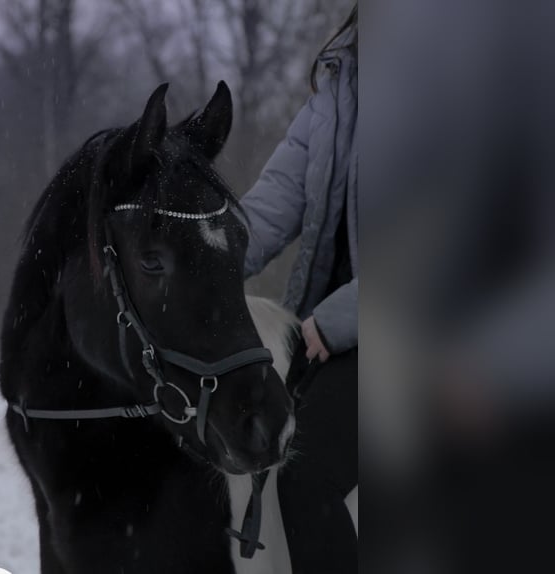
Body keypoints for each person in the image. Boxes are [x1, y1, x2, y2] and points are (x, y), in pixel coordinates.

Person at [240, 5, 358, 572]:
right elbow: (267, 208)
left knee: (302, 469)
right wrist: (194, 260)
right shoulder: (340, 85)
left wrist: (340, 319)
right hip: (321, 333)